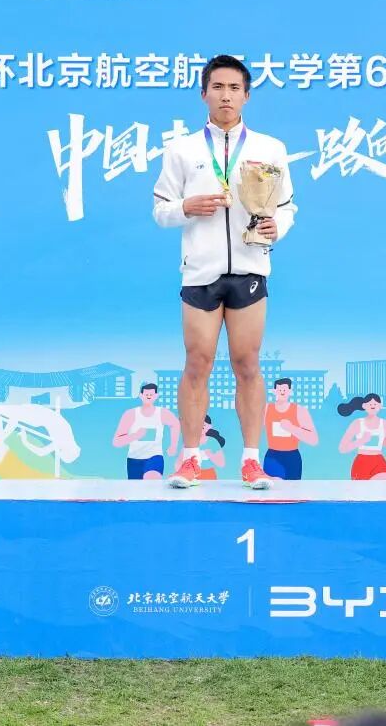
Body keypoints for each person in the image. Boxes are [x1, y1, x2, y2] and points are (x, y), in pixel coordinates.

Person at [153, 54, 298, 490]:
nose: (226, 96)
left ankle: (251, 460)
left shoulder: (270, 149)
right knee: (197, 363)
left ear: (247, 96)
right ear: (204, 94)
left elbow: (287, 205)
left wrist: (278, 226)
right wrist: (185, 207)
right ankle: (190, 459)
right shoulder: (181, 149)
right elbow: (160, 209)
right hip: (201, 271)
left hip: (250, 267)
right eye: (217, 87)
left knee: (247, 364)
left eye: (235, 88)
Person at [112, 383, 180, 480]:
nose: (148, 396)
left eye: (151, 394)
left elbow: (175, 424)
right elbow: (116, 442)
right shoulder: (130, 414)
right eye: (146, 394)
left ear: (156, 396)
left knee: (151, 479)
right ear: (141, 395)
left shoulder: (162, 413)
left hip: (155, 456)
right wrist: (135, 436)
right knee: (136, 488)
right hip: (134, 459)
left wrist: (173, 446)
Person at [262, 377, 318, 480]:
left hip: (292, 457)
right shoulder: (266, 409)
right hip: (272, 456)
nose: (282, 392)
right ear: (274, 391)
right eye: (279, 389)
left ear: (290, 391)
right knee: (271, 488)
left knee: (293, 489)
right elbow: (253, 430)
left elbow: (313, 439)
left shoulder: (300, 410)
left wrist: (292, 428)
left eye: (284, 389)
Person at [338, 393, 386, 480]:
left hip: (379, 462)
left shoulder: (385, 424)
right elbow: (342, 448)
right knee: (362, 489)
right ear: (364, 406)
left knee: (380, 486)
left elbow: (384, 440)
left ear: (380, 406)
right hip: (361, 463)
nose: (373, 406)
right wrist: (361, 441)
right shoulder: (357, 423)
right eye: (370, 404)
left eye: (375, 404)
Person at [170, 415, 227, 480]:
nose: (199, 429)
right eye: (197, 426)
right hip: (189, 474)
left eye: (203, 426)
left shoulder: (213, 441)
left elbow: (221, 463)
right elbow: (177, 464)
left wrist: (210, 455)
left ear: (209, 426)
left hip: (208, 474)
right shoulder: (187, 441)